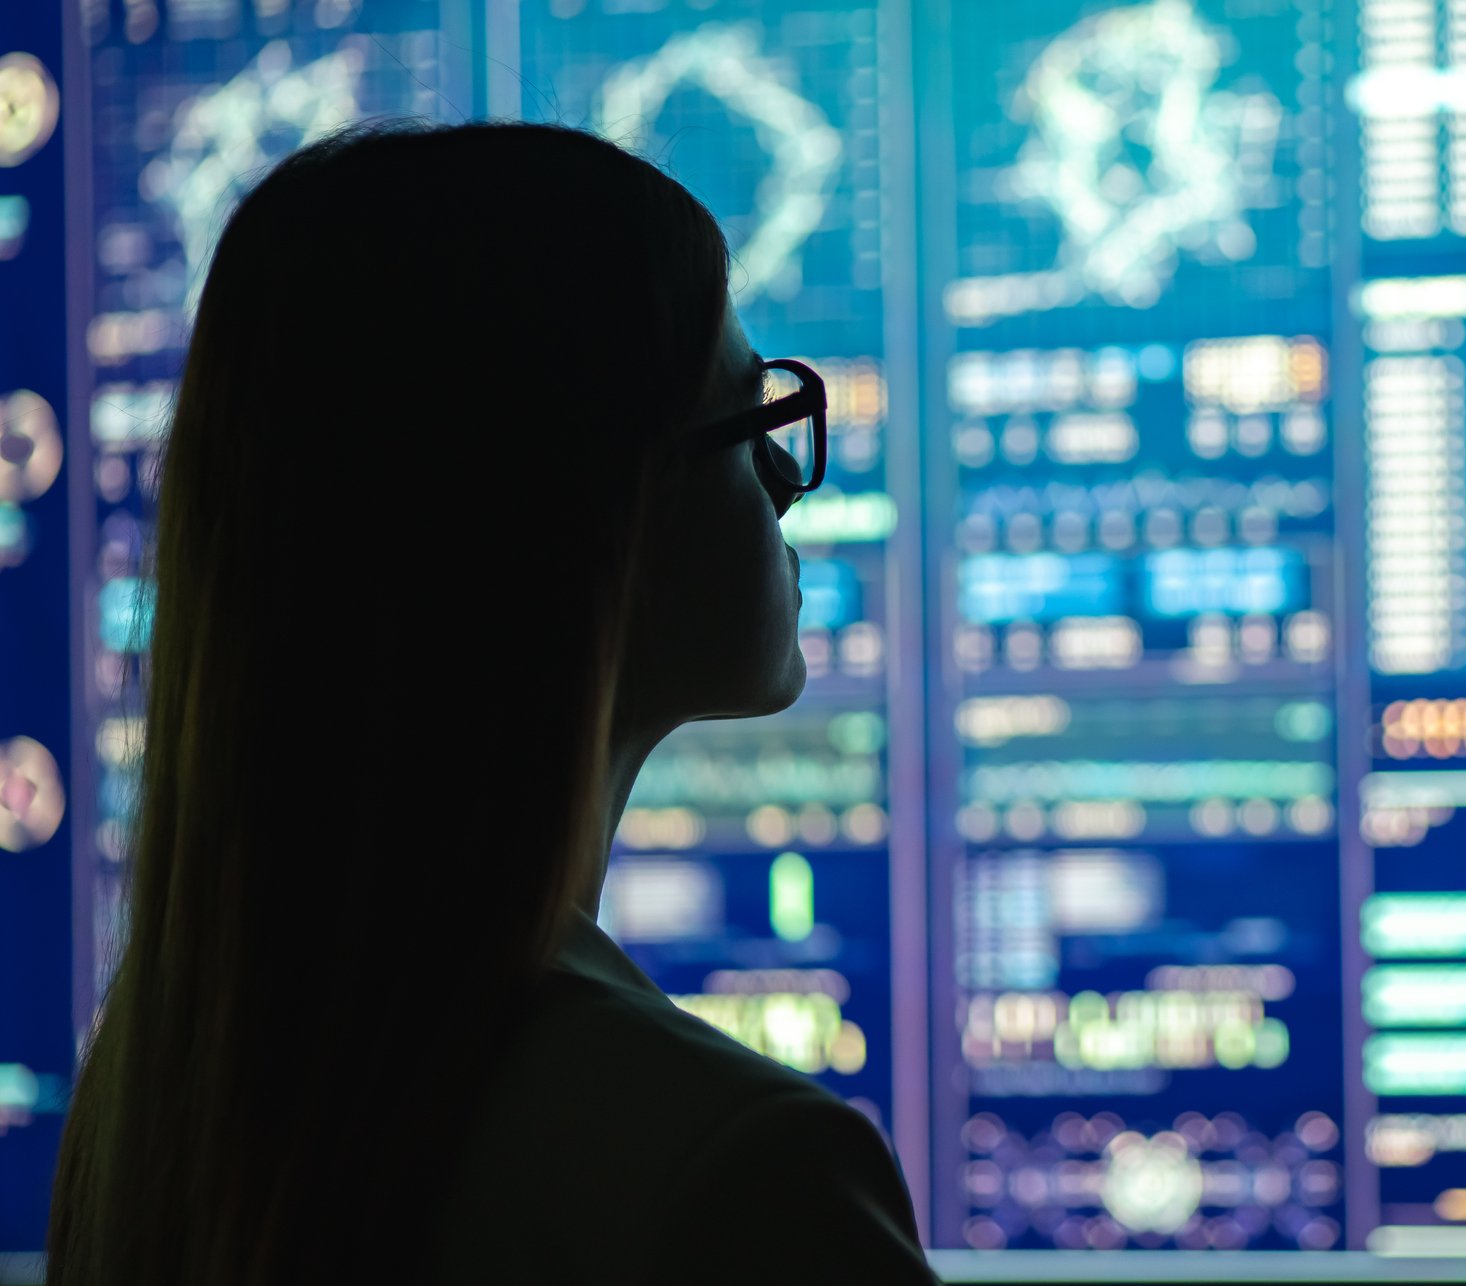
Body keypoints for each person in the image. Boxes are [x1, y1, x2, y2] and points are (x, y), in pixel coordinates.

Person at [46, 122, 936, 1286]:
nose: (788, 483)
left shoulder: (155, 1099)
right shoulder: (741, 1172)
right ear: (586, 520)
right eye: (750, 419)